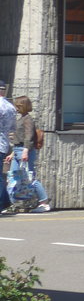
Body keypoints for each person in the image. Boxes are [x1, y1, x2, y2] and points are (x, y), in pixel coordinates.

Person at [8, 95, 49, 211]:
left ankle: (44, 202)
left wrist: (25, 150)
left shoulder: (28, 119)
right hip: (17, 150)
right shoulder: (21, 118)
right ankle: (12, 203)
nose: (15, 108)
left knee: (29, 178)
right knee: (13, 178)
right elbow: (19, 138)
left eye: (17, 106)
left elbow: (29, 136)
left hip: (24, 150)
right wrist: (12, 154)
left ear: (22, 106)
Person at [0, 81, 14, 213]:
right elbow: (12, 128)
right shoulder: (11, 107)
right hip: (3, 143)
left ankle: (2, 203)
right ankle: (5, 202)